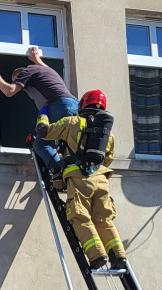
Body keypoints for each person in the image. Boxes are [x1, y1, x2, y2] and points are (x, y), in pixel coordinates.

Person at [36, 91, 125, 269]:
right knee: (103, 219)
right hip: (101, 180)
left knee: (80, 216)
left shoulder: (72, 122)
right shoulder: (108, 134)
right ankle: (118, 255)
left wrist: (43, 115)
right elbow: (107, 160)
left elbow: (44, 132)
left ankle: (96, 255)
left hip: (79, 179)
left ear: (83, 105)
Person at [0, 46, 78, 169]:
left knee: (41, 144)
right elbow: (45, 67)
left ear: (19, 75)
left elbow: (9, 91)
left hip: (58, 106)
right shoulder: (45, 71)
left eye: (17, 81)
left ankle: (58, 170)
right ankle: (76, 170)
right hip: (74, 105)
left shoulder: (27, 72)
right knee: (72, 143)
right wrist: (36, 59)